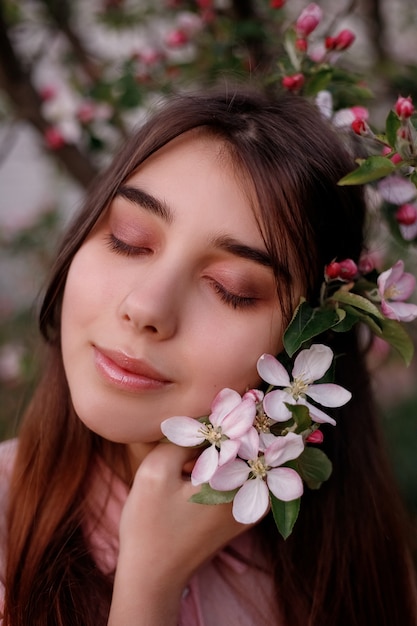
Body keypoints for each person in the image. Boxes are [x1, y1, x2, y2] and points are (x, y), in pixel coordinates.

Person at [0, 86, 416, 626]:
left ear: (307, 341)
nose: (146, 306)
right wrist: (149, 587)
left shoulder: (355, 565)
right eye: (128, 240)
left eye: (232, 288)